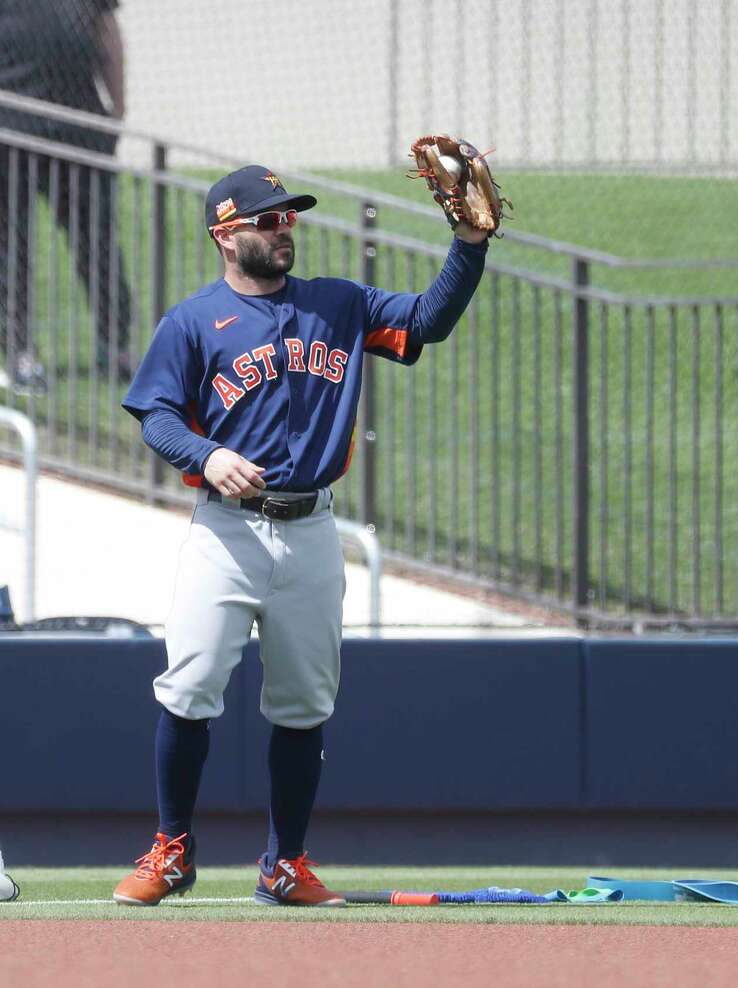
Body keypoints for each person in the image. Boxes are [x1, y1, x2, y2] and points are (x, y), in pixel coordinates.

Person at [113, 165, 488, 906]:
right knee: (189, 685)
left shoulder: (338, 304)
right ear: (225, 235)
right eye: (266, 219)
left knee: (304, 704)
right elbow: (155, 412)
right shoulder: (193, 321)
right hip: (225, 533)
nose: (283, 227)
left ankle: (285, 864)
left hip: (311, 527)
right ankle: (172, 847)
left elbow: (426, 322)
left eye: (289, 216)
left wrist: (469, 243)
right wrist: (207, 454)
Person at [0, 0, 133, 394]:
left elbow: (107, 31)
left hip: (78, 129)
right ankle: (19, 351)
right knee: (9, 250)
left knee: (97, 243)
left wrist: (117, 108)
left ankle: (116, 346)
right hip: (10, 133)